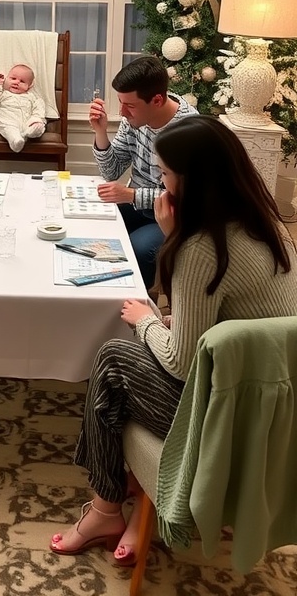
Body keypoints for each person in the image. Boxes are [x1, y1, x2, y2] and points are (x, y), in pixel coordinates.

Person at [50, 115, 297, 562]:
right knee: (128, 363)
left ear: (192, 180)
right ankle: (139, 497)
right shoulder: (271, 226)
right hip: (267, 410)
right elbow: (210, 326)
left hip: (220, 418)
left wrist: (147, 317)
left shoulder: (203, 249)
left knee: (113, 360)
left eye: (164, 174)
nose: (159, 183)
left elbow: (181, 363)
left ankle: (107, 507)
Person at [89, 55, 197, 289]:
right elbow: (112, 170)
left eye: (129, 105)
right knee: (92, 221)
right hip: (136, 204)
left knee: (139, 249)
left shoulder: (187, 130)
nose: (122, 113)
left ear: (157, 100)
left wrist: (131, 196)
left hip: (172, 215)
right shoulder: (136, 117)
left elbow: (183, 197)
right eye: (120, 103)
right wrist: (101, 133)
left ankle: (142, 307)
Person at [0, 63, 46, 153]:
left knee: (39, 125)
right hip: (8, 121)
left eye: (22, 81)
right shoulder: (3, 94)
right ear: (7, 79)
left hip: (26, 122)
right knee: (10, 130)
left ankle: (30, 132)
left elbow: (39, 108)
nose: (17, 82)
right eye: (13, 79)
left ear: (29, 86)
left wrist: (36, 119)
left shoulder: (31, 97)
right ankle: (15, 142)